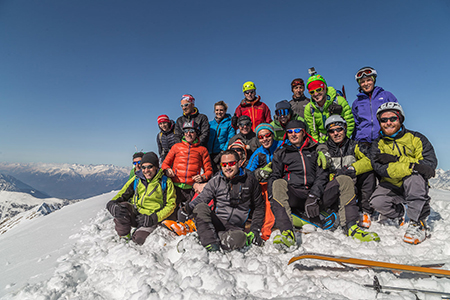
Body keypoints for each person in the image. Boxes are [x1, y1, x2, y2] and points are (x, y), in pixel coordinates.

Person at [370, 102, 437, 244]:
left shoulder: (417, 138)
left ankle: (419, 222)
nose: (388, 123)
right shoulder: (378, 144)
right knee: (377, 202)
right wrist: (413, 165)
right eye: (383, 120)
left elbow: (429, 165)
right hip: (391, 184)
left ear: (400, 119)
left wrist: (397, 160)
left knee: (414, 178)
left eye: (392, 119)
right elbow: (381, 168)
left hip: (413, 182)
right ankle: (399, 213)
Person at [184, 149, 265, 252]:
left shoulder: (250, 180)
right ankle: (211, 244)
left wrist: (255, 230)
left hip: (235, 227)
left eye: (231, 163)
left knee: (240, 238)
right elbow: (202, 198)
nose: (227, 167)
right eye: (224, 164)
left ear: (239, 163)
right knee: (200, 207)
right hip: (217, 221)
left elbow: (259, 207)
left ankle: (208, 236)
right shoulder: (216, 180)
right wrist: (188, 208)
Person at [267, 120, 328, 248]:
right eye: (289, 132)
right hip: (294, 193)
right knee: (278, 183)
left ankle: (349, 224)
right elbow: (275, 175)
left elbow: (322, 175)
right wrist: (273, 197)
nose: (293, 134)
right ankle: (287, 232)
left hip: (314, 194)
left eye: (297, 131)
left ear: (304, 133)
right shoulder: (282, 152)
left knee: (343, 180)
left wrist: (314, 195)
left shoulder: (315, 149)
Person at [322, 115, 379, 241]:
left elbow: (370, 160)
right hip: (333, 189)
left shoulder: (355, 146)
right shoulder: (324, 149)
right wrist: (338, 175)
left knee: (368, 173)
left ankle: (365, 211)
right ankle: (339, 214)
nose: (336, 133)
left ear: (345, 129)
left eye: (339, 129)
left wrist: (352, 169)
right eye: (332, 131)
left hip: (353, 189)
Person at [106, 152, 176, 245]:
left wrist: (154, 218)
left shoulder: (165, 182)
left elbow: (171, 205)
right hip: (137, 214)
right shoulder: (137, 179)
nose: (146, 170)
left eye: (150, 167)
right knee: (121, 207)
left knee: (139, 239)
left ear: (156, 167)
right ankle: (124, 236)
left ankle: (139, 234)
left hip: (151, 218)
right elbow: (122, 194)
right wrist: (111, 203)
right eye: (143, 167)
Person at [162, 120, 213, 220]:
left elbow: (209, 170)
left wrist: (203, 177)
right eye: (186, 131)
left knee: (188, 215)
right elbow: (165, 164)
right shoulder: (176, 147)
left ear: (197, 133)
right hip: (175, 186)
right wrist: (167, 170)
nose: (188, 134)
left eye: (191, 131)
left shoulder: (202, 150)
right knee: (171, 215)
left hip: (191, 187)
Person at [352, 67, 398, 143]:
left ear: (374, 80)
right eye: (362, 82)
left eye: (369, 80)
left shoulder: (387, 96)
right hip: (363, 142)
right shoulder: (356, 102)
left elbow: (397, 117)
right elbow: (355, 124)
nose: (366, 84)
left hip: (384, 139)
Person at [304, 74, 355, 143]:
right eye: (312, 92)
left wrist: (345, 139)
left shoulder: (339, 101)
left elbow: (349, 121)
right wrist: (318, 144)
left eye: (319, 90)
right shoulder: (309, 108)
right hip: (322, 142)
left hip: (341, 139)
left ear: (325, 88)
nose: (316, 94)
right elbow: (312, 131)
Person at [207, 101, 236, 173]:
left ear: (225, 111)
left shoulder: (229, 123)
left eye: (221, 110)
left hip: (221, 152)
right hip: (209, 153)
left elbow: (231, 138)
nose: (219, 112)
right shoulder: (210, 124)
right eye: (217, 110)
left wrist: (223, 151)